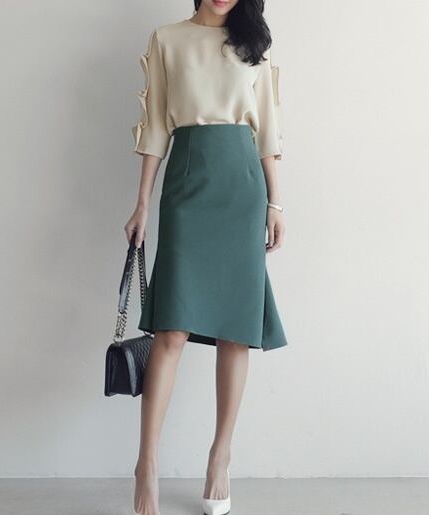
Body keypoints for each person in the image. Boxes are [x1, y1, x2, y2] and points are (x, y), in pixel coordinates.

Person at [124, 1, 288, 513]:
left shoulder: (254, 44)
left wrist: (276, 203)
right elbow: (155, 126)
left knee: (235, 330)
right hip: (187, 181)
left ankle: (221, 455)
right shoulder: (167, 39)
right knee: (170, 330)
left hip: (242, 187)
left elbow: (267, 128)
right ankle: (146, 463)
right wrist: (142, 204)